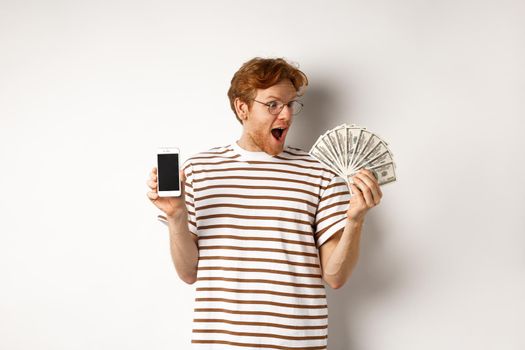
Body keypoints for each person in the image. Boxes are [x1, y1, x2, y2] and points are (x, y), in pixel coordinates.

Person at [146, 57, 382, 349]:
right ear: (242, 108)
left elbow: (334, 275)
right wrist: (176, 215)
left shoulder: (320, 172)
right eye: (272, 105)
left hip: (299, 344)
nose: (285, 115)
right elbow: (188, 273)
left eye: (290, 104)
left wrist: (355, 219)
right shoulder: (198, 171)